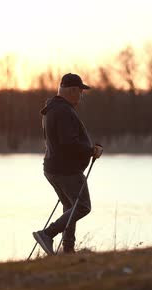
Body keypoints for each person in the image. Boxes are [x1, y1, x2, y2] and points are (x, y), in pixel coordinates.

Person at [32, 73, 103, 255]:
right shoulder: (63, 111)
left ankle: (68, 249)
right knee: (82, 206)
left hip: (53, 168)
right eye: (80, 92)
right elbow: (68, 143)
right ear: (72, 91)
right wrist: (90, 150)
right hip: (66, 170)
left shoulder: (53, 109)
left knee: (70, 207)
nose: (81, 96)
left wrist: (88, 149)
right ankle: (47, 234)